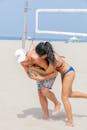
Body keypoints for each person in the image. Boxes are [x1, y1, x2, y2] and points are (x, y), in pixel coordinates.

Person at [30, 41, 87, 126]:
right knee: (70, 94)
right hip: (65, 73)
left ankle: (70, 122)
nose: (39, 57)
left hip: (69, 73)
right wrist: (32, 46)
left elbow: (48, 72)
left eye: (40, 55)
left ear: (45, 54)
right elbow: (35, 50)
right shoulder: (48, 51)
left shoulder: (53, 60)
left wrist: (35, 70)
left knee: (64, 97)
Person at [20, 47, 61, 119]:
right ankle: (46, 115)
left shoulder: (37, 59)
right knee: (40, 93)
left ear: (27, 55)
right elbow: (28, 74)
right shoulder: (23, 63)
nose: (23, 62)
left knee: (44, 90)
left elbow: (54, 73)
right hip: (39, 74)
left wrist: (40, 76)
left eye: (24, 60)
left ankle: (57, 104)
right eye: (21, 61)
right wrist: (33, 76)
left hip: (50, 72)